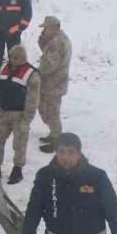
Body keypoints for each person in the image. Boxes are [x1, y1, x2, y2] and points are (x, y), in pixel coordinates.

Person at [21, 133, 117, 234]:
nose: (66, 157)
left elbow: (113, 210)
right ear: (56, 152)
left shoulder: (97, 177)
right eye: (62, 152)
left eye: (71, 152)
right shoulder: (45, 176)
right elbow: (34, 209)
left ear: (79, 154)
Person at [0, 44, 41, 184]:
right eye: (11, 57)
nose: (13, 60)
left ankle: (17, 169)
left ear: (23, 58)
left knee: (19, 144)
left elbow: (33, 99)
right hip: (3, 112)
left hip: (20, 115)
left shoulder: (32, 74)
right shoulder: (3, 68)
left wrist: (27, 119)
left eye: (16, 58)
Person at [36, 16, 73, 152]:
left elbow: (49, 65)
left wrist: (37, 72)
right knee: (50, 110)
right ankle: (54, 134)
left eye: (46, 28)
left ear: (54, 28)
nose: (44, 30)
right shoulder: (60, 39)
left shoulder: (56, 43)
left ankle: (56, 140)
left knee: (51, 111)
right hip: (57, 82)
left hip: (52, 83)